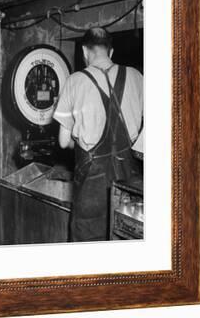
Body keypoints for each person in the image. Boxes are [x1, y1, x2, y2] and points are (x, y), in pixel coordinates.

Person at [53, 27, 143, 242]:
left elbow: (63, 141)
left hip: (90, 181)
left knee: (88, 246)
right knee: (126, 235)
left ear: (85, 51)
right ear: (111, 52)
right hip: (130, 178)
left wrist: (86, 145)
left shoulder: (74, 81)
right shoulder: (136, 76)